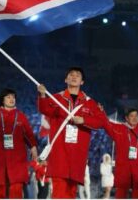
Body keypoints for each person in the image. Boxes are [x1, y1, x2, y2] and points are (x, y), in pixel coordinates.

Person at [37, 67, 107, 198]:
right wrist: (42, 95)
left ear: (82, 82)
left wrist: (84, 120)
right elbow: (45, 109)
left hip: (77, 155)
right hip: (60, 153)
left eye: (78, 75)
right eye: (71, 75)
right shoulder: (56, 98)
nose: (74, 77)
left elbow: (100, 122)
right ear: (66, 79)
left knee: (71, 192)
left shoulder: (90, 103)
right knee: (59, 190)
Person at [0, 88, 38, 199]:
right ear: (3, 100)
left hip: (17, 159)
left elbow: (29, 134)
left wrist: (33, 147)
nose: (12, 99)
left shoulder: (21, 116)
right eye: (8, 97)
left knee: (16, 189)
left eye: (13, 97)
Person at [104, 109, 138, 198]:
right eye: (132, 116)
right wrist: (101, 112)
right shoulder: (120, 129)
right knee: (121, 192)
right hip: (123, 168)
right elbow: (106, 124)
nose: (134, 118)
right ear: (127, 118)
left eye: (136, 116)